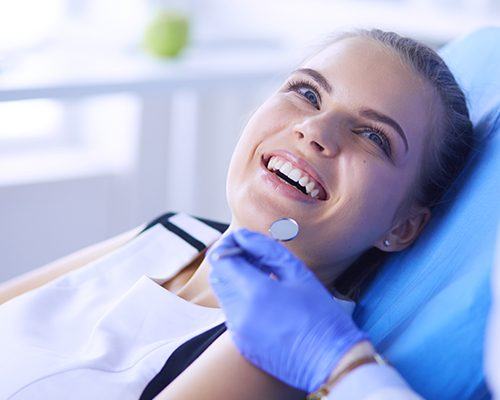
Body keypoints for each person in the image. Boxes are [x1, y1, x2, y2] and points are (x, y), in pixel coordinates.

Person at [0, 28, 474, 399]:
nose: (314, 129)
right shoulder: (171, 232)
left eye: (373, 136)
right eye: (308, 93)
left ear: (402, 226)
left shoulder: (277, 349)